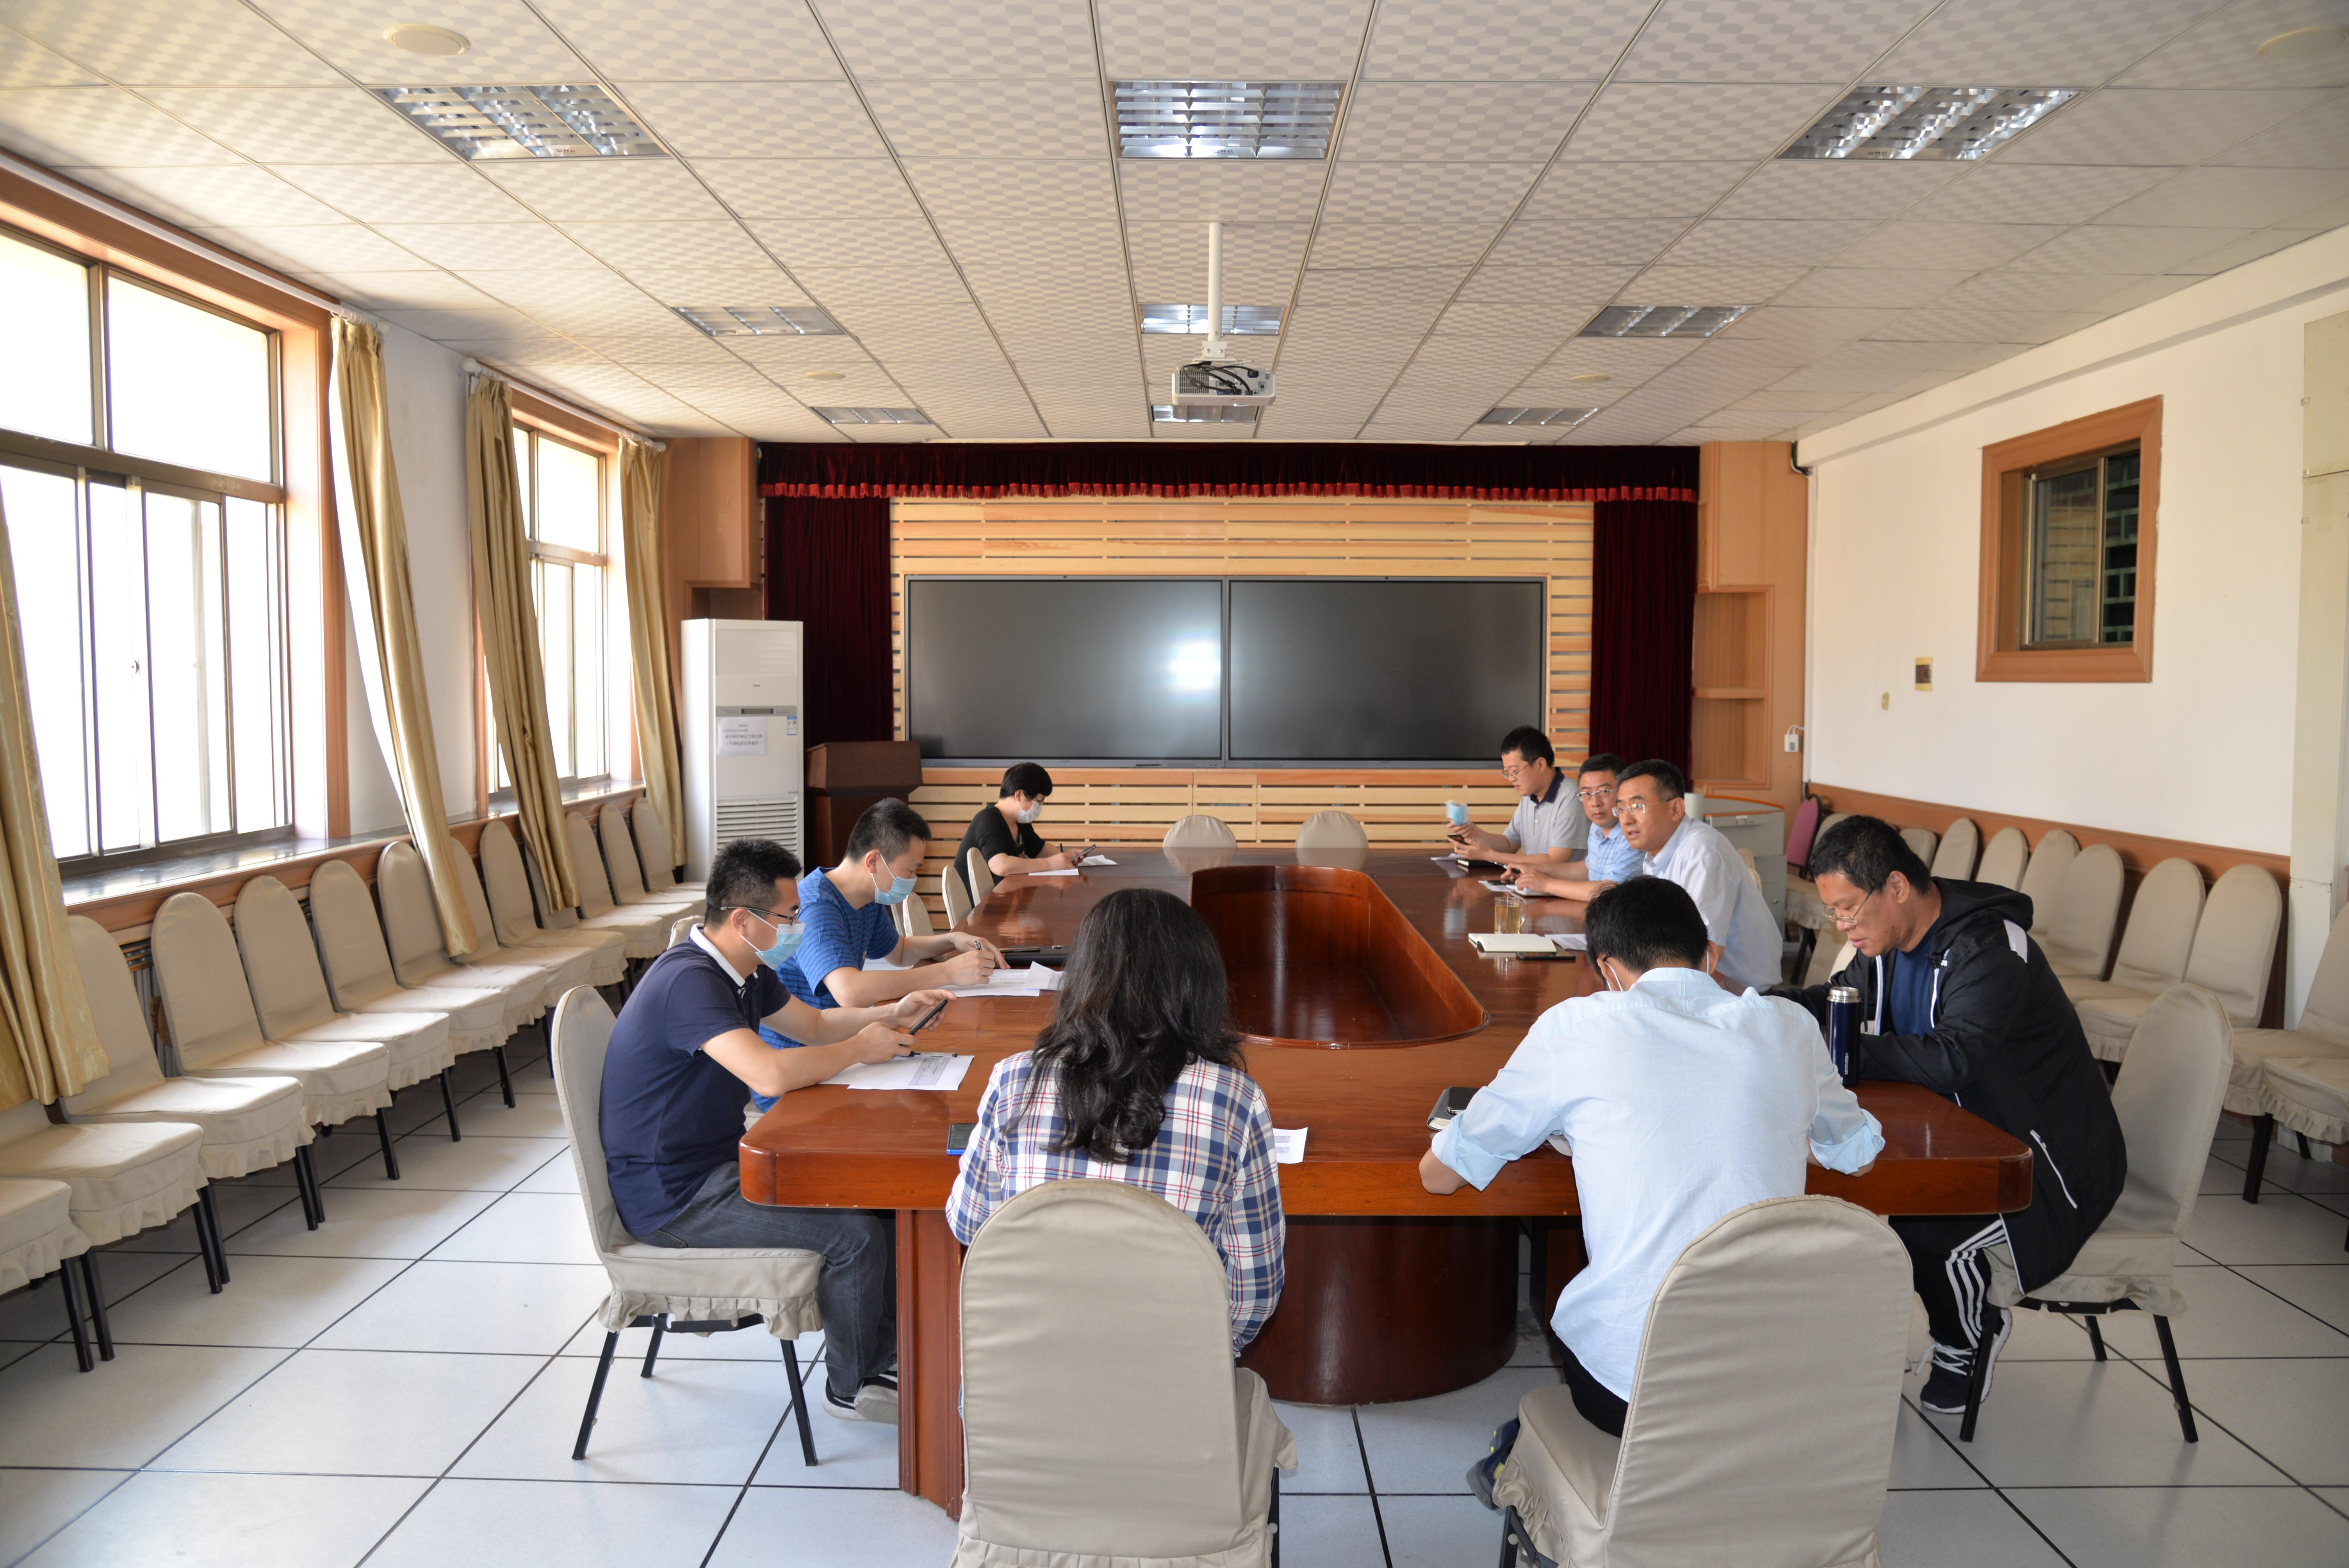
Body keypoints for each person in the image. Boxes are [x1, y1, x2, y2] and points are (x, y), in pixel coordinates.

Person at [1422, 876, 1880, 1455]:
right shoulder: (1789, 1026)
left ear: (1607, 968)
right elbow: (1858, 1154)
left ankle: (1533, 1459)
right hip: (1771, 1382)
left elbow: (1440, 1176)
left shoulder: (1575, 1028)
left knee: (1603, 1353)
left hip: (1632, 1391)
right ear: (1708, 955)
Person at [1776, 815, 2124, 1415]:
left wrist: (1841, 1049)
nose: (1841, 926)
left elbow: (1953, 1058)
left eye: (1848, 909)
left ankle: (1966, 1341)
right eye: (1833, 912)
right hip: (1960, 1133)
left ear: (1896, 886)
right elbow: (1836, 1004)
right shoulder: (1884, 944)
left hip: (2045, 1164)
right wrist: (1767, 1011)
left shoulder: (1990, 950)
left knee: (1927, 1231)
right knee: (1861, 1190)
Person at [598, 837, 952, 1424]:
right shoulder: (689, 982)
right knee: (856, 1235)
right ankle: (850, 1386)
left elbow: (812, 1025)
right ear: (743, 920)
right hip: (674, 1198)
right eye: (789, 917)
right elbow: (769, 1072)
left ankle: (885, 1354)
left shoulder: (744, 969)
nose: (797, 928)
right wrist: (859, 1049)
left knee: (881, 1200)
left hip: (718, 1164)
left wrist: (889, 1015)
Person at [946, 887, 1285, 1352]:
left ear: (1082, 974)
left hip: (1021, 1382)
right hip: (1172, 1382)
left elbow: (970, 1225)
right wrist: (1209, 1355)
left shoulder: (1013, 1080)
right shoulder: (1237, 1102)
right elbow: (1254, 1292)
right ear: (1200, 982)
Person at [751, 797, 1005, 1112]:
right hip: (803, 1069)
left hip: (841, 1047)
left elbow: (899, 952)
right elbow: (850, 992)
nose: (912, 880)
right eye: (910, 870)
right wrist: (947, 973)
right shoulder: (817, 908)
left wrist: (951, 941)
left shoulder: (865, 897)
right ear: (873, 861)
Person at [1610, 758, 1782, 992]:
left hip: (1739, 991)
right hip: (1700, 979)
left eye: (1638, 807)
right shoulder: (1657, 852)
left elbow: (1704, 954)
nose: (1626, 819)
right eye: (1621, 808)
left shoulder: (1702, 854)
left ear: (1676, 809)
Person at [1506, 753, 1641, 905]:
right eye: (1587, 794)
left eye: (1604, 792)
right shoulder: (1597, 827)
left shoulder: (1632, 833)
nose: (1595, 803)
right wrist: (1535, 871)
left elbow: (1611, 891)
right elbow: (1588, 869)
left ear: (1623, 792)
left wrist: (1546, 884)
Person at [1447, 726, 1583, 870]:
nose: (1511, 779)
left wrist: (1489, 855)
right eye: (1507, 773)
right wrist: (1474, 832)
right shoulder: (1530, 796)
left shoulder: (1571, 798)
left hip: (1561, 884)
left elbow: (1554, 861)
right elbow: (1509, 844)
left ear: (1540, 764)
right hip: (1531, 881)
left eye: (1515, 771)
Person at [952, 762, 1079, 901]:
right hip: (982, 907)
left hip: (1005, 899)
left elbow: (1040, 850)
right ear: (1019, 795)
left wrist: (1067, 857)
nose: (1040, 806)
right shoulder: (989, 820)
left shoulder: (1020, 821)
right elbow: (1001, 866)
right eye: (1039, 800)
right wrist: (1050, 864)